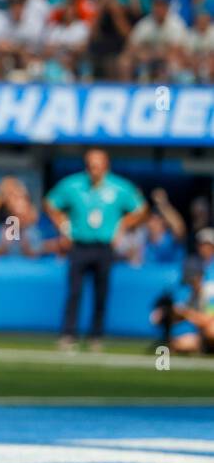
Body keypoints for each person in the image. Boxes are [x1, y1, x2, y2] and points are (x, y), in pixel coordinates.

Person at [44, 149, 148, 351]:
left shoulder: (119, 187)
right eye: (91, 165)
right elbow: (50, 203)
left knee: (101, 293)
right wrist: (63, 226)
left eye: (98, 165)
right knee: (74, 291)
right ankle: (68, 334)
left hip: (104, 246)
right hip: (80, 245)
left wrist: (123, 225)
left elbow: (141, 208)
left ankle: (96, 336)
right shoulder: (73, 184)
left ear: (106, 166)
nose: (94, 170)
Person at [153, 227, 214, 355]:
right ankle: (201, 346)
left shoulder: (209, 288)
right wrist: (169, 314)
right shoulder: (192, 273)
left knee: (211, 330)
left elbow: (208, 319)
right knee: (180, 344)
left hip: (208, 325)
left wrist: (185, 313)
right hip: (202, 328)